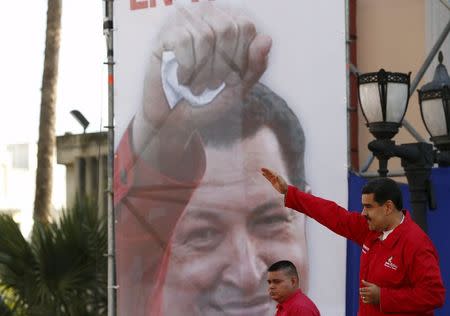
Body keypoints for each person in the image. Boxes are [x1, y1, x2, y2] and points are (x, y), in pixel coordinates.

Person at [114, 3, 309, 316]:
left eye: (271, 221)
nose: (247, 276)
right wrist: (159, 133)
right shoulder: (139, 266)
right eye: (203, 235)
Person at [261, 168, 446, 315]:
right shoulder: (370, 229)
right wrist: (290, 193)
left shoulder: (416, 243)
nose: (363, 213)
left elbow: (434, 295)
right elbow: (332, 214)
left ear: (388, 207)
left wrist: (383, 296)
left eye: (368, 207)